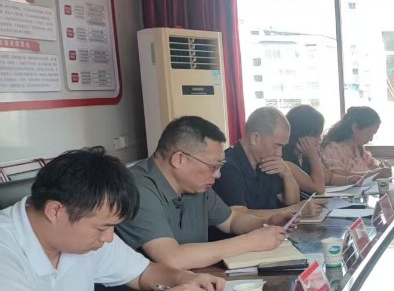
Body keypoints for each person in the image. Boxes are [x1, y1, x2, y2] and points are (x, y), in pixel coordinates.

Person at [0, 149, 224, 291]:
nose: (109, 238)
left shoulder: (84, 233)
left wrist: (183, 278)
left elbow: (142, 273)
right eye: (102, 228)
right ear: (55, 211)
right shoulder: (5, 245)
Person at [117, 116, 289, 270]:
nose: (218, 175)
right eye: (213, 166)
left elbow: (231, 220)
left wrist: (265, 223)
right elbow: (172, 259)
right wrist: (250, 242)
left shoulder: (196, 185)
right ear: (179, 159)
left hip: (195, 281)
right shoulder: (138, 189)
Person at [213, 107, 301, 213]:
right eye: (276, 146)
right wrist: (289, 210)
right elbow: (240, 217)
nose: (279, 154)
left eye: (282, 147)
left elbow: (292, 202)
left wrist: (287, 173)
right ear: (255, 138)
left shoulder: (267, 162)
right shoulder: (228, 167)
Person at [321, 106, 391, 186]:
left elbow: (371, 162)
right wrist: (375, 174)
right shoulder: (333, 148)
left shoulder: (358, 147)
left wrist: (381, 166)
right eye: (370, 133)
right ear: (355, 127)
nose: (371, 139)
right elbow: (338, 175)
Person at [282, 104, 327, 196]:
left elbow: (329, 177)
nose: (319, 140)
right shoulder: (284, 157)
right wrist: (313, 157)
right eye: (315, 135)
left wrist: (350, 179)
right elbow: (318, 188)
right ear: (299, 134)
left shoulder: (303, 154)